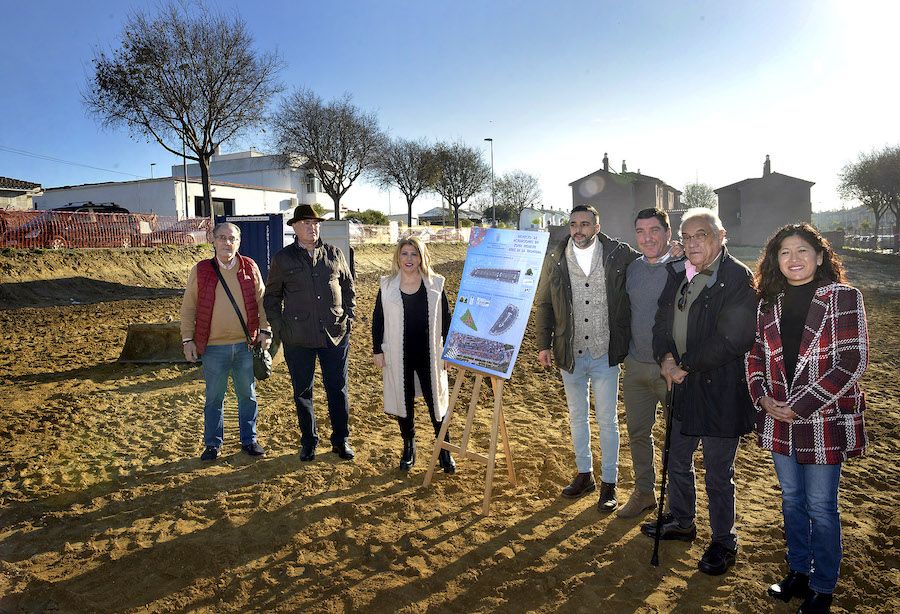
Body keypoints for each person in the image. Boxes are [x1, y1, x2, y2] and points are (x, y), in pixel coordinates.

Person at [746, 224, 868, 614]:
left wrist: (802, 405)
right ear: (775, 260)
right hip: (778, 417)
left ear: (819, 256)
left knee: (821, 506)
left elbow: (852, 360)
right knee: (792, 499)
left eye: (802, 251)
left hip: (822, 420)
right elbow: (753, 358)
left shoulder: (844, 298)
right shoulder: (767, 304)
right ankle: (799, 571)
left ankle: (823, 586)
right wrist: (762, 397)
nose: (793, 259)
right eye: (784, 252)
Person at [641, 208, 757, 577]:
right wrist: (666, 357)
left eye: (701, 235)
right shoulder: (676, 273)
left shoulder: (738, 277)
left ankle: (724, 540)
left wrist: (684, 363)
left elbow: (734, 338)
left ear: (720, 236)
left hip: (720, 389)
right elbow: (661, 320)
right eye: (687, 237)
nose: (692, 244)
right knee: (676, 458)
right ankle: (682, 520)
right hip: (682, 385)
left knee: (719, 472)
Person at [535, 204, 639, 512]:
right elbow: (543, 304)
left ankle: (609, 482)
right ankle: (585, 474)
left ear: (596, 226)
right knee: (577, 417)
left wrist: (670, 253)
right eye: (573, 224)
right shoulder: (555, 259)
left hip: (605, 353)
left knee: (608, 420)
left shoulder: (618, 254)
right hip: (570, 353)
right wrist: (543, 344)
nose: (578, 229)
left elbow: (651, 261)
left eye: (585, 224)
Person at [264, 204, 356, 462]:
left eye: (315, 223)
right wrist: (280, 327)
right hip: (298, 337)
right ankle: (309, 441)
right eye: (305, 223)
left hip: (335, 334)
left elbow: (348, 288)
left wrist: (349, 317)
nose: (311, 227)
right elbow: (271, 297)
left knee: (338, 389)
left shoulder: (335, 253)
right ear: (294, 227)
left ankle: (341, 440)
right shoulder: (283, 259)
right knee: (303, 391)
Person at [180, 222, 271, 461]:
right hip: (212, 348)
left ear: (239, 242)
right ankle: (213, 444)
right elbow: (189, 306)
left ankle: (249, 441)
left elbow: (262, 301)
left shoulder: (249, 266)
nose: (227, 242)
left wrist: (266, 331)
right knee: (213, 398)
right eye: (222, 237)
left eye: (232, 238)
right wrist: (187, 339)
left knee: (247, 396)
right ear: (213, 240)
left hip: (245, 345)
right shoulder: (200, 270)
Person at [371, 237, 455, 473]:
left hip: (430, 354)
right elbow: (378, 319)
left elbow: (446, 317)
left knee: (436, 403)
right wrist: (377, 349)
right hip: (399, 354)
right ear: (398, 257)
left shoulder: (435, 284)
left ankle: (444, 450)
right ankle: (409, 446)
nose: (409, 259)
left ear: (422, 257)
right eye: (405, 254)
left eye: (414, 254)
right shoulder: (387, 285)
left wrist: (449, 352)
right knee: (403, 401)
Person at [616, 208, 678, 518]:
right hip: (635, 365)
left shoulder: (683, 266)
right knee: (638, 434)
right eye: (640, 232)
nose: (647, 237)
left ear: (668, 232)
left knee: (677, 438)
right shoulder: (632, 268)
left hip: (670, 368)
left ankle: (677, 503)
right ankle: (644, 492)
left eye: (654, 230)